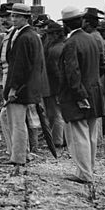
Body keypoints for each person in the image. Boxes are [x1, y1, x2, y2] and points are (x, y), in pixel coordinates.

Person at [57, 6, 105, 184]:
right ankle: (88, 169)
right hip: (94, 91)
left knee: (78, 135)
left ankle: (84, 173)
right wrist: (91, 84)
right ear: (81, 21)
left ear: (66, 25)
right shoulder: (93, 39)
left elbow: (72, 72)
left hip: (77, 94)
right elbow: (103, 65)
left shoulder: (71, 43)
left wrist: (79, 94)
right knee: (91, 134)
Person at [0, 3, 50, 171]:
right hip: (28, 86)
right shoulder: (30, 35)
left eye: (17, 16)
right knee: (15, 120)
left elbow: (20, 66)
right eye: (12, 16)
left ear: (26, 18)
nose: (13, 19)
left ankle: (19, 156)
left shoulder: (24, 37)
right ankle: (22, 153)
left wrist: (13, 88)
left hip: (21, 88)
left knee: (17, 123)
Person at [42, 20, 66, 148]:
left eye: (50, 34)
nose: (48, 37)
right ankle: (61, 138)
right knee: (57, 113)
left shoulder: (55, 49)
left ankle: (57, 140)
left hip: (54, 85)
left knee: (55, 114)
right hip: (56, 85)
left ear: (56, 35)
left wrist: (59, 86)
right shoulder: (61, 46)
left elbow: (56, 71)